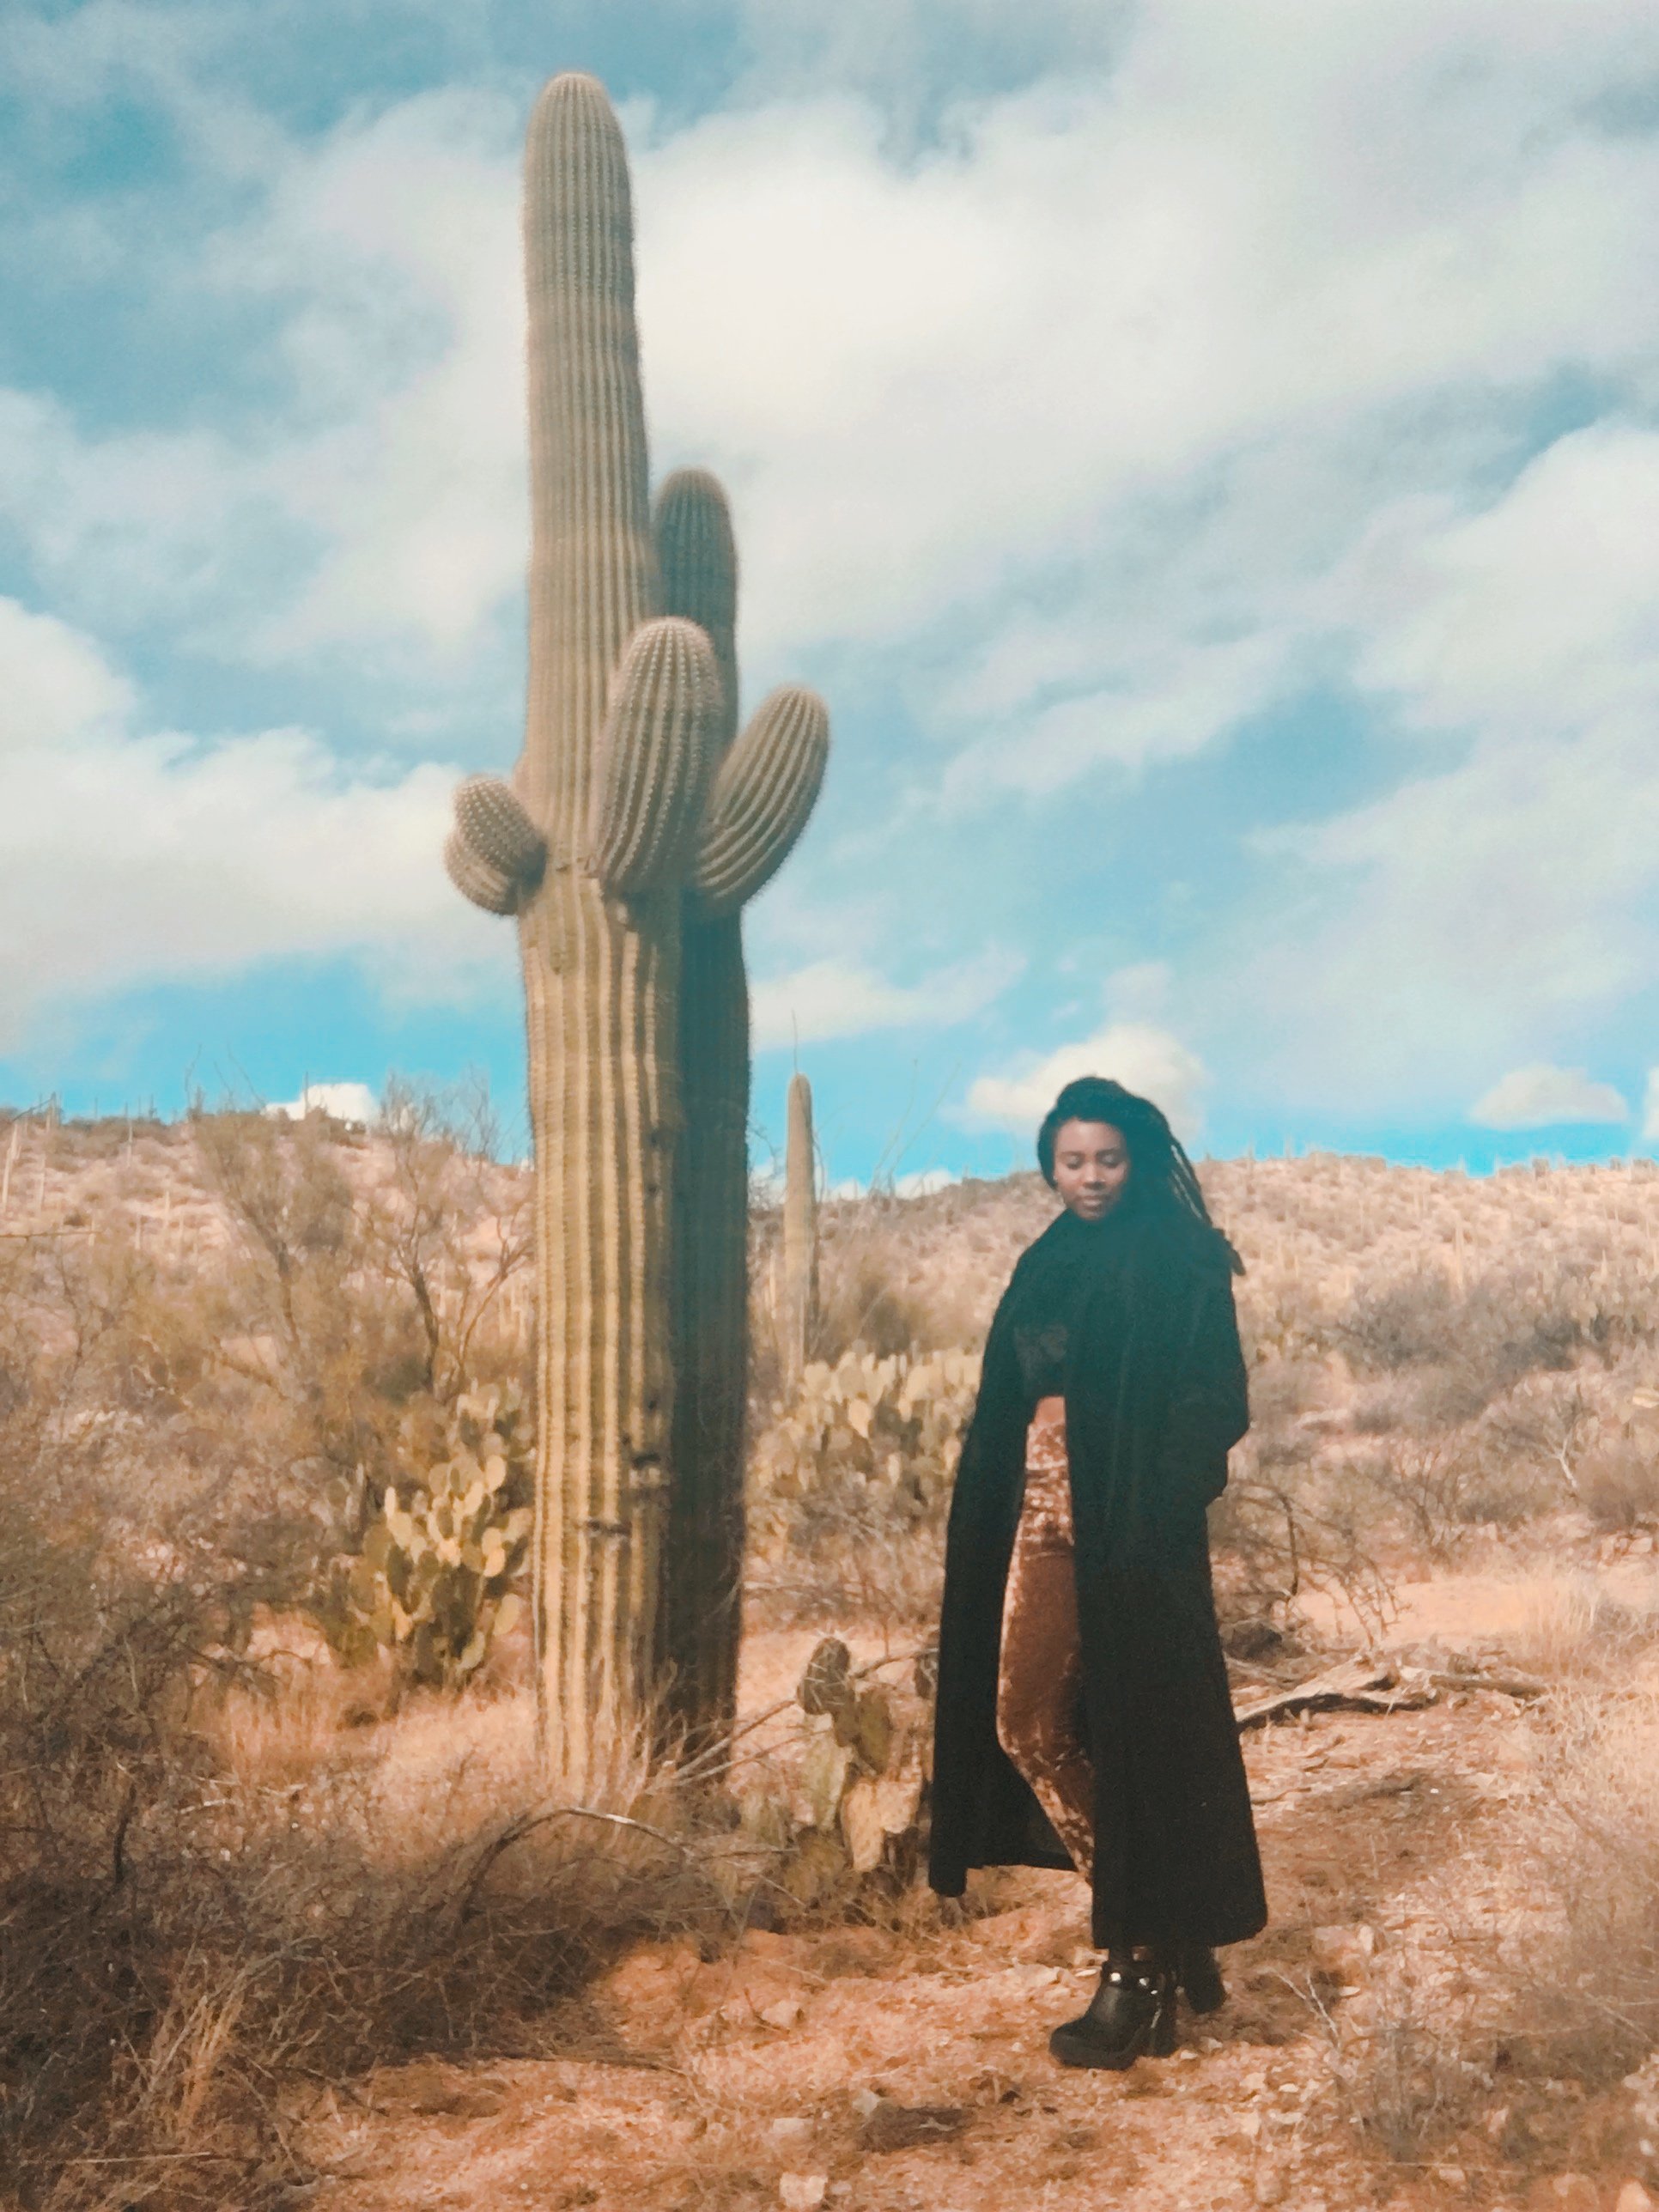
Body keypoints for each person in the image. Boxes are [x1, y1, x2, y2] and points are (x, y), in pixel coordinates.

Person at [928, 1074, 1267, 2069]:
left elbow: (1219, 1397)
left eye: (1107, 1159)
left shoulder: (1182, 1254)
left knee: (1126, 1725)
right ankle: (1167, 1929)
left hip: (1132, 1526)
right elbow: (1008, 1391)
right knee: (1029, 1718)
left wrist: (1160, 1502)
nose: (1089, 1177)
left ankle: (1138, 1961)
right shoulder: (1047, 1257)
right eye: (1071, 1160)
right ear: (1049, 1162)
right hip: (1035, 1514)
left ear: (1140, 1157)